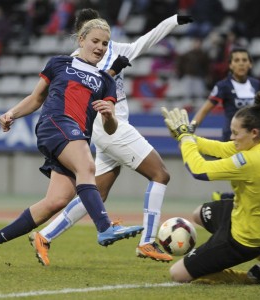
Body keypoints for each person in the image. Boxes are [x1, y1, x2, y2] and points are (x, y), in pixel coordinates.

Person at [28, 9, 194, 266]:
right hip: (107, 127)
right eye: (90, 37)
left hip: (113, 126)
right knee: (160, 174)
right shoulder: (74, 62)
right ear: (81, 36)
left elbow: (147, 40)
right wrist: (113, 73)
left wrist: (173, 20)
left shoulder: (116, 50)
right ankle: (147, 241)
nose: (97, 44)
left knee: (97, 192)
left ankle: (45, 235)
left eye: (101, 39)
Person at [0, 18, 144, 257]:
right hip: (55, 124)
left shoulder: (107, 81)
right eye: (95, 41)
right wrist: (12, 113)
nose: (100, 47)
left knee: (56, 202)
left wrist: (109, 115)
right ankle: (104, 227)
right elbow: (36, 98)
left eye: (105, 43)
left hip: (76, 136)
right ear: (81, 40)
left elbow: (110, 128)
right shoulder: (60, 63)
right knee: (87, 166)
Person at [161, 92, 260, 284]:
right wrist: (185, 137)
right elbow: (220, 148)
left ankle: (252, 277)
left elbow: (199, 170)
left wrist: (186, 138)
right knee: (198, 214)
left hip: (244, 238)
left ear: (253, 132)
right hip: (248, 218)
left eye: (236, 133)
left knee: (177, 274)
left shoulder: (251, 160)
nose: (232, 137)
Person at [191, 47, 260, 200]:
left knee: (253, 181)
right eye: (237, 60)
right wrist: (190, 129)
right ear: (230, 65)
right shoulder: (223, 86)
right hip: (233, 141)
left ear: (250, 64)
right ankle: (229, 199)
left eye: (245, 60)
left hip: (254, 141)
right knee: (243, 178)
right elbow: (204, 110)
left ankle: (226, 198)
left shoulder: (256, 85)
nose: (241, 64)